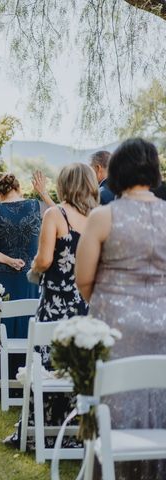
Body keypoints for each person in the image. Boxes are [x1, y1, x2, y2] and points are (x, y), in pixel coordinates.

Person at [76, 138, 166, 479]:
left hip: (115, 327)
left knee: (118, 402)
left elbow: (84, 279)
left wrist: (108, 305)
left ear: (116, 171)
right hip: (164, 326)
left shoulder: (103, 217)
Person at [6, 163, 98, 448]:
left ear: (64, 185)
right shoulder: (98, 218)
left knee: (47, 365)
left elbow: (44, 260)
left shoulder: (55, 215)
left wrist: (34, 268)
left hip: (56, 304)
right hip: (85, 305)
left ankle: (39, 431)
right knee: (78, 366)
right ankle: (77, 430)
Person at [0, 171, 53, 396]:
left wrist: (8, 259)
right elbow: (62, 217)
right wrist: (43, 193)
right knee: (30, 323)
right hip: (31, 277)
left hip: (3, 278)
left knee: (3, 326)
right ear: (18, 188)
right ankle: (30, 382)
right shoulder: (36, 206)